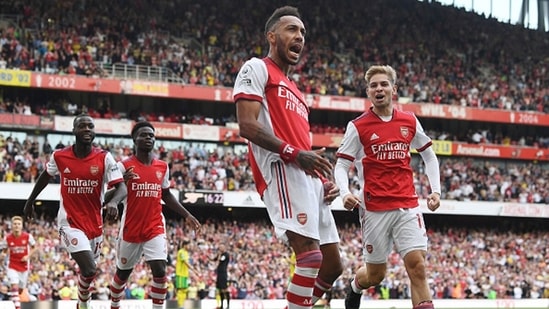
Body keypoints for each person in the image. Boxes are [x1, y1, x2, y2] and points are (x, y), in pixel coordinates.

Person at [233, 6, 343, 309]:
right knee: (310, 255)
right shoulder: (256, 67)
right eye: (292, 30)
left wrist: (323, 181)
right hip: (282, 167)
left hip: (308, 176)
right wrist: (296, 155)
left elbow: (301, 141)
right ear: (272, 36)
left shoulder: (296, 90)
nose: (300, 37)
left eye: (303, 32)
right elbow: (247, 125)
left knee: (333, 266)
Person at [333, 65, 441, 309]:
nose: (378, 89)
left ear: (394, 89)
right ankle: (354, 286)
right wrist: (345, 192)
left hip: (407, 206)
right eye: (373, 85)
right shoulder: (358, 126)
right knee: (376, 276)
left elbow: (430, 156)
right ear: (368, 92)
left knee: (418, 268)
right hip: (374, 210)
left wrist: (436, 191)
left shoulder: (409, 120)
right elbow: (341, 166)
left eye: (383, 84)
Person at [23, 113, 127, 309]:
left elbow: (121, 187)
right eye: (82, 126)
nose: (87, 129)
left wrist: (114, 203)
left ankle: (82, 301)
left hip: (95, 225)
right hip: (69, 223)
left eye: (90, 126)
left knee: (90, 273)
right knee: (89, 269)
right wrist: (30, 201)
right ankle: (82, 303)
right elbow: (45, 177)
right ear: (74, 131)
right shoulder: (60, 156)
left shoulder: (104, 158)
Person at [108, 121, 201, 309]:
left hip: (155, 226)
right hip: (131, 228)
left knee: (160, 270)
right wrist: (112, 201)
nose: (149, 138)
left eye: (151, 135)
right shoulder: (123, 166)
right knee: (122, 275)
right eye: (144, 135)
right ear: (135, 139)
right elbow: (109, 194)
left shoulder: (162, 167)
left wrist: (186, 214)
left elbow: (165, 194)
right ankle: (114, 304)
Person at [3, 216, 37, 309]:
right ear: (12, 226)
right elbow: (4, 250)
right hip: (12, 265)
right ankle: (17, 307)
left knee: (20, 289)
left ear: (22, 226)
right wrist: (3, 254)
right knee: (14, 285)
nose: (16, 226)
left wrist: (28, 256)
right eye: (15, 224)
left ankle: (15, 296)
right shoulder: (7, 238)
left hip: (24, 267)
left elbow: (34, 247)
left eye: (18, 224)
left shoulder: (27, 236)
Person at [175, 240, 195, 308]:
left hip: (185, 274)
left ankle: (182, 305)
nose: (189, 247)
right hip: (180, 274)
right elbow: (185, 262)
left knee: (184, 289)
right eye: (188, 245)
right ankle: (180, 305)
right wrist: (193, 270)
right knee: (180, 289)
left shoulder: (186, 252)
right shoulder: (181, 252)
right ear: (185, 245)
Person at [213, 243, 230, 309]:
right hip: (219, 273)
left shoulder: (226, 255)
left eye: (221, 247)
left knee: (225, 289)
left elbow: (220, 259)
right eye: (219, 247)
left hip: (223, 273)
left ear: (224, 247)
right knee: (220, 289)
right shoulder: (220, 255)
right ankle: (222, 305)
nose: (220, 248)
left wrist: (219, 255)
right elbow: (214, 259)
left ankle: (228, 305)